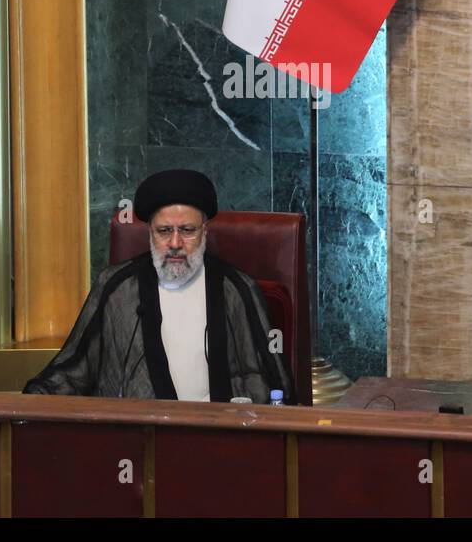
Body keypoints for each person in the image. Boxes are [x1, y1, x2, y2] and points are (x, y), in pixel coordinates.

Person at [24, 169, 293, 403]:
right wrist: (31, 407)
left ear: (205, 231)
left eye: (187, 230)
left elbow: (272, 382)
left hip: (217, 443)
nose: (175, 243)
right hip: (139, 444)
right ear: (150, 232)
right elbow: (75, 370)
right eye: (164, 231)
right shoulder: (118, 287)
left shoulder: (237, 289)